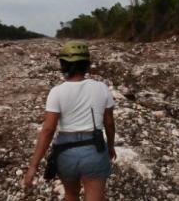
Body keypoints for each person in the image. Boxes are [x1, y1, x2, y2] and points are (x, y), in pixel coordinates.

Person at [23, 40, 117, 201]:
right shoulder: (102, 88)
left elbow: (48, 130)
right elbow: (109, 122)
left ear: (64, 65)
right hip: (94, 149)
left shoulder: (56, 92)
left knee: (71, 195)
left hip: (65, 152)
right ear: (87, 64)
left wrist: (33, 166)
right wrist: (110, 147)